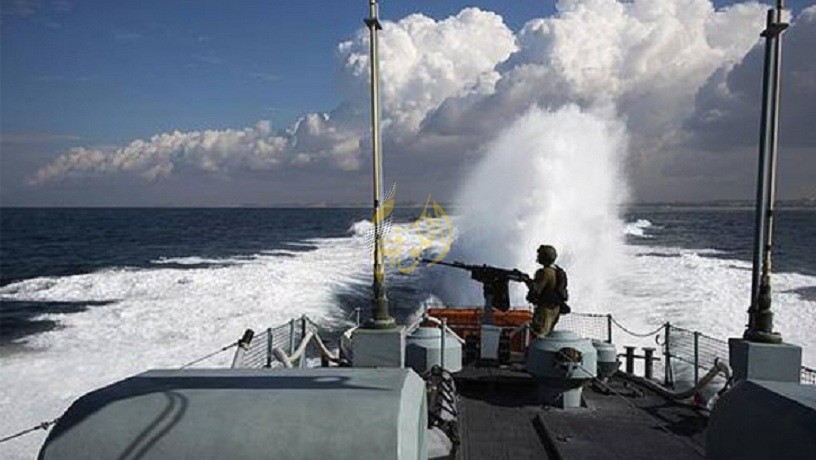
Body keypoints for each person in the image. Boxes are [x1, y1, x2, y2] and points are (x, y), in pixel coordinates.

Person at [525, 244, 568, 336]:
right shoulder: (556, 271)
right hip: (554, 310)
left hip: (544, 310)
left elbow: (536, 290)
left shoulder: (544, 272)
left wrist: (526, 281)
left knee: (539, 335)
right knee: (547, 334)